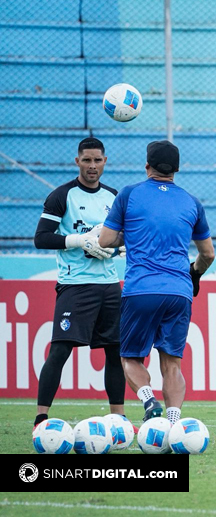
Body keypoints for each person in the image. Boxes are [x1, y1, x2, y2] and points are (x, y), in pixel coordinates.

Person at [98, 140, 215, 425]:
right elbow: (208, 254)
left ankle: (149, 401)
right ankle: (175, 421)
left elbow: (105, 240)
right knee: (172, 364)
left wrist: (131, 235)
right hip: (179, 291)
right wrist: (195, 273)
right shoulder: (191, 202)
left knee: (130, 358)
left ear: (147, 166)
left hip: (141, 289)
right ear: (176, 169)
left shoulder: (129, 194)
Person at [32, 137, 130, 430]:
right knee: (60, 351)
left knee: (115, 352)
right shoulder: (62, 196)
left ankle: (118, 419)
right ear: (77, 162)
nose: (92, 166)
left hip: (110, 285)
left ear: (105, 162)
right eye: (86, 160)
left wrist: (112, 248)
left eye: (97, 160)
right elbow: (41, 238)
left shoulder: (114, 197)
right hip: (75, 286)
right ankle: (41, 418)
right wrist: (80, 240)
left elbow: (125, 238)